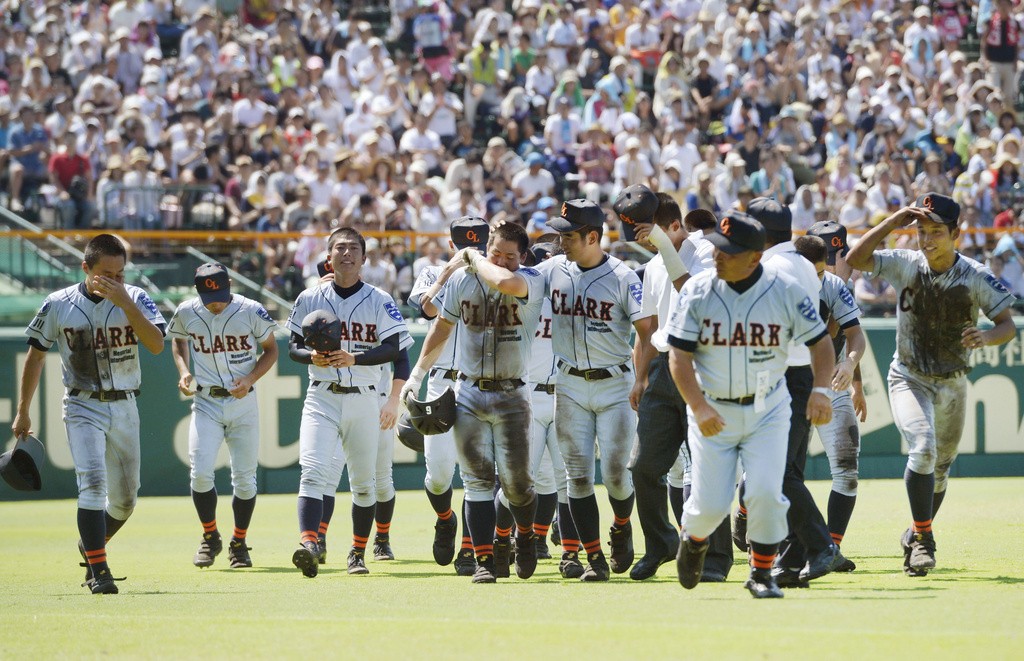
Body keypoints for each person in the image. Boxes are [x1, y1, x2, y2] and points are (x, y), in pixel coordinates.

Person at [845, 193, 1017, 576]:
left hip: (953, 383)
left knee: (940, 470)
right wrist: (893, 222)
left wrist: (987, 338)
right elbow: (853, 259)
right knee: (922, 449)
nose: (927, 239)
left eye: (936, 231)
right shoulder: (906, 262)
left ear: (956, 233)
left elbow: (1007, 323)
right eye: (922, 230)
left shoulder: (974, 274)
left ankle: (915, 532)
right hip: (908, 375)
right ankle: (925, 541)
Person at [667, 210, 835, 599]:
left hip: (768, 407)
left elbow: (821, 343)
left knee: (764, 491)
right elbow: (678, 355)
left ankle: (762, 574)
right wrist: (698, 406)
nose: (717, 256)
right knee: (709, 506)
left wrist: (821, 390)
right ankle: (693, 539)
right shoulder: (699, 289)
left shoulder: (785, 288)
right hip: (714, 408)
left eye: (728, 251)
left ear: (755, 257)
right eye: (717, 248)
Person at [13, 234, 166, 594]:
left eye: (120, 274)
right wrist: (23, 410)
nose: (113, 280)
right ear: (86, 268)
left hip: (125, 402)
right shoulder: (58, 304)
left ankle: (91, 544)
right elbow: (36, 356)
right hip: (82, 403)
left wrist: (127, 302)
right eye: (105, 273)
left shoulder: (137, 298)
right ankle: (99, 570)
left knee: (126, 501)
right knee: (93, 484)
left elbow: (157, 345)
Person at [401, 221, 546, 584]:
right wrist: (417, 375)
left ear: (523, 256)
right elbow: (441, 326)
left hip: (513, 392)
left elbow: (504, 281)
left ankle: (525, 536)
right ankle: (483, 560)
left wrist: (474, 259)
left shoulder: (530, 278)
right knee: (477, 481)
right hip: (468, 391)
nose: (501, 260)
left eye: (509, 255)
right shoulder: (463, 280)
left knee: (516, 485)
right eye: (495, 252)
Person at [286, 228, 412, 577]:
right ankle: (309, 543)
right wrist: (311, 357)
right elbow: (292, 347)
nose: (346, 253)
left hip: (364, 399)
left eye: (353, 248)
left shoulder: (379, 298)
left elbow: (395, 350)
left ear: (364, 258)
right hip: (321, 395)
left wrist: (355, 359)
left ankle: (357, 551)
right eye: (339, 247)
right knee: (312, 470)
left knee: (363, 483)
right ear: (328, 257)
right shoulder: (310, 297)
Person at [542, 199, 656, 581]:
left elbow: (647, 333)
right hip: (570, 383)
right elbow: (515, 281)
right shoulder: (553, 268)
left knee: (615, 473)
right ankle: (593, 560)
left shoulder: (624, 277)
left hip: (614, 384)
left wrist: (641, 379)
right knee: (576, 475)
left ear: (593, 236)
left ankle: (621, 525)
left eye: (569, 234)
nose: (561, 241)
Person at [734, 197, 840, 587]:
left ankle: (821, 544)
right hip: (804, 374)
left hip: (782, 376)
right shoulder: (799, 260)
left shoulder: (770, 267)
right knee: (788, 473)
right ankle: (791, 565)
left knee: (776, 473)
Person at [628, 199, 732, 581]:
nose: (648, 241)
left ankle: (718, 558)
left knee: (710, 467)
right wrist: (640, 376)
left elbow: (693, 295)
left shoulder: (705, 250)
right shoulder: (655, 264)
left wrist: (666, 246)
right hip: (662, 368)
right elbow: (650, 326)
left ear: (673, 226)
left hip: (701, 366)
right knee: (643, 468)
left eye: (652, 232)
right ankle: (661, 544)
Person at [167, 263, 279, 569]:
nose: (215, 301)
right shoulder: (188, 311)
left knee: (245, 480)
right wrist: (184, 370)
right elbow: (178, 340)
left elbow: (271, 349)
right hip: (206, 401)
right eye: (208, 295)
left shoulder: (250, 310)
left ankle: (239, 544)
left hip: (243, 403)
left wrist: (251, 378)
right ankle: (210, 537)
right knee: (201, 472)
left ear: (229, 284)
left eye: (220, 293)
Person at [405, 217, 491, 577]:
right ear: (453, 243)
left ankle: (470, 549)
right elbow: (425, 309)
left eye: (478, 242)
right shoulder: (432, 272)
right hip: (440, 381)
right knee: (439, 475)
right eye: (465, 243)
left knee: (477, 472)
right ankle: (445, 518)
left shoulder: (495, 275)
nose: (472, 248)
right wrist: (448, 274)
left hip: (478, 382)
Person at [796, 226, 868, 572]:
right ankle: (753, 530)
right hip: (789, 383)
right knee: (774, 469)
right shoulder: (778, 282)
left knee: (847, 471)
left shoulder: (835, 286)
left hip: (833, 384)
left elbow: (856, 336)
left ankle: (830, 549)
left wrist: (852, 369)